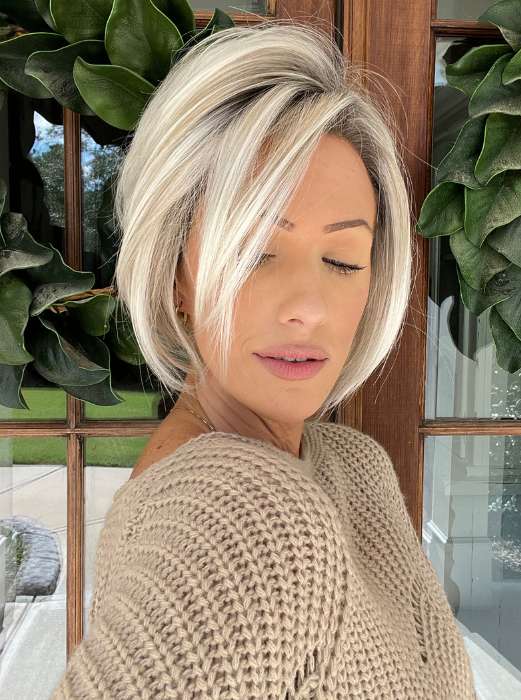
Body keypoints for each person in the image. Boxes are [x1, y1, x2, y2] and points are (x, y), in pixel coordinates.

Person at [51, 20, 477, 699]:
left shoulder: (352, 464)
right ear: (175, 274)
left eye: (343, 260)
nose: (308, 306)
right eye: (255, 253)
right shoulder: (244, 524)